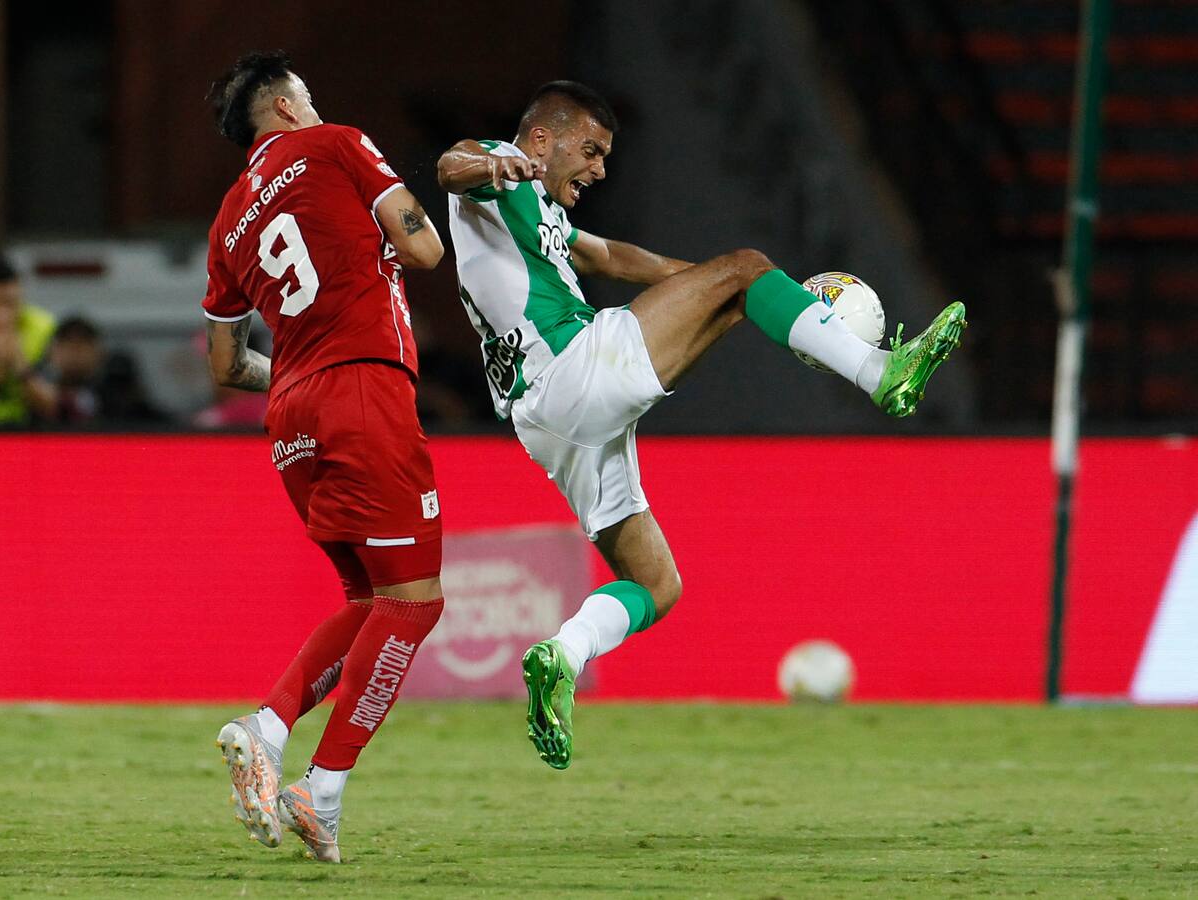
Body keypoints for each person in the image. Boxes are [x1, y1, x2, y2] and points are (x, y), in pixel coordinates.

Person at [438, 81, 966, 770]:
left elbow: (608, 257)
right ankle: (879, 373)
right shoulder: (501, 166)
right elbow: (453, 165)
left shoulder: (535, 209)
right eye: (590, 151)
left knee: (656, 583)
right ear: (544, 140)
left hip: (546, 420)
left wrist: (718, 287)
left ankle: (560, 654)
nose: (599, 169)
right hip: (572, 364)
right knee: (749, 266)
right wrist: (496, 164)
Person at [203, 51, 446, 862]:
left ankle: (267, 727)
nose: (316, 106)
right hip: (363, 391)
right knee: (414, 604)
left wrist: (302, 376)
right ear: (282, 103)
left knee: (367, 596)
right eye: (307, 96)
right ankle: (323, 787)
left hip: (292, 415)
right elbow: (424, 252)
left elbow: (225, 364)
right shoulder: (336, 143)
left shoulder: (229, 221)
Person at [38, 316, 168, 426]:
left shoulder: (117, 392)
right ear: (52, 352)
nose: (75, 351)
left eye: (83, 343)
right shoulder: (38, 392)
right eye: (67, 343)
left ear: (100, 352)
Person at [0, 256, 56, 427]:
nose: (2, 315)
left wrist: (20, 366)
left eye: (9, 303)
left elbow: (50, 407)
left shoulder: (44, 327)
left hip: (30, 432)